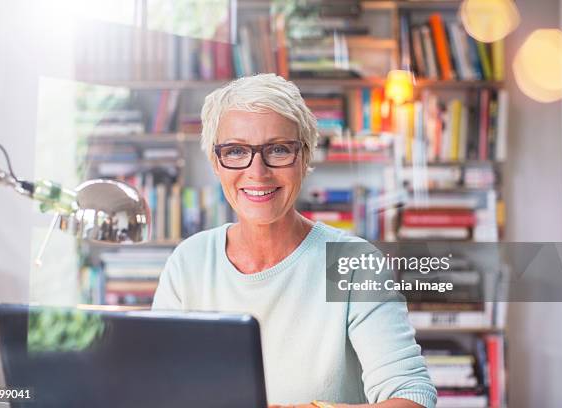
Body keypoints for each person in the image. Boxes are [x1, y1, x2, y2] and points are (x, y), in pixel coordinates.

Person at [152, 73, 437, 408]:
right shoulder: (189, 261)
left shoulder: (354, 264)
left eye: (278, 149)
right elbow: (159, 388)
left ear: (305, 158)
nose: (257, 172)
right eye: (235, 151)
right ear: (217, 163)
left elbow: (411, 398)